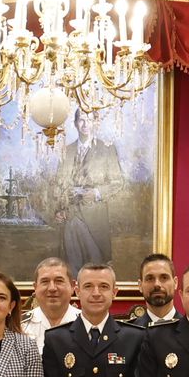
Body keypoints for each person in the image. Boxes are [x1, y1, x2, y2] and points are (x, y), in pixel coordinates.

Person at [53, 109, 126, 271]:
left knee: (96, 267)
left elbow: (117, 182)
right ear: (75, 123)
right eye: (81, 120)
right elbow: (58, 184)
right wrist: (59, 210)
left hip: (94, 219)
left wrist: (97, 193)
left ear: (96, 123)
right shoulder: (66, 150)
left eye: (90, 120)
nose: (85, 124)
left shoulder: (107, 149)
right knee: (71, 268)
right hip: (70, 218)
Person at [21, 257, 81, 351]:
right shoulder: (21, 327)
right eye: (45, 281)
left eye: (59, 281)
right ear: (35, 287)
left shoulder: (87, 324)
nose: (52, 288)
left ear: (72, 286)